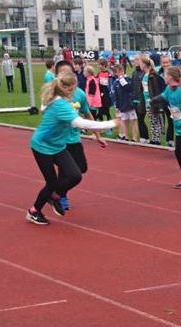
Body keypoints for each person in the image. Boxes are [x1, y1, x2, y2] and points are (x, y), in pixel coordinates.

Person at [26, 72, 117, 225]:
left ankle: (54, 195)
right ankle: (34, 211)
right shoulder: (60, 105)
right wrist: (112, 123)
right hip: (42, 146)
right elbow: (82, 124)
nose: (76, 92)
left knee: (75, 175)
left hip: (58, 146)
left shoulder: (60, 101)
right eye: (75, 88)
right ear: (69, 89)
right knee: (51, 182)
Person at [54, 61, 107, 211]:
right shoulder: (54, 95)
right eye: (62, 73)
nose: (66, 76)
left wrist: (97, 135)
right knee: (66, 171)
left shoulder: (79, 94)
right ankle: (61, 196)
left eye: (68, 72)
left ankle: (56, 191)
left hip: (74, 139)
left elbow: (87, 114)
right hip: (59, 141)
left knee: (81, 168)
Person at [111, 64, 138, 142]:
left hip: (129, 104)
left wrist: (122, 79)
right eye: (115, 72)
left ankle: (134, 138)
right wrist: (117, 105)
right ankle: (125, 137)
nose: (115, 73)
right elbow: (115, 95)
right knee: (124, 121)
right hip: (121, 105)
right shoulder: (116, 82)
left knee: (133, 121)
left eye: (116, 72)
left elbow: (129, 88)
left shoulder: (128, 79)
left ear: (121, 71)